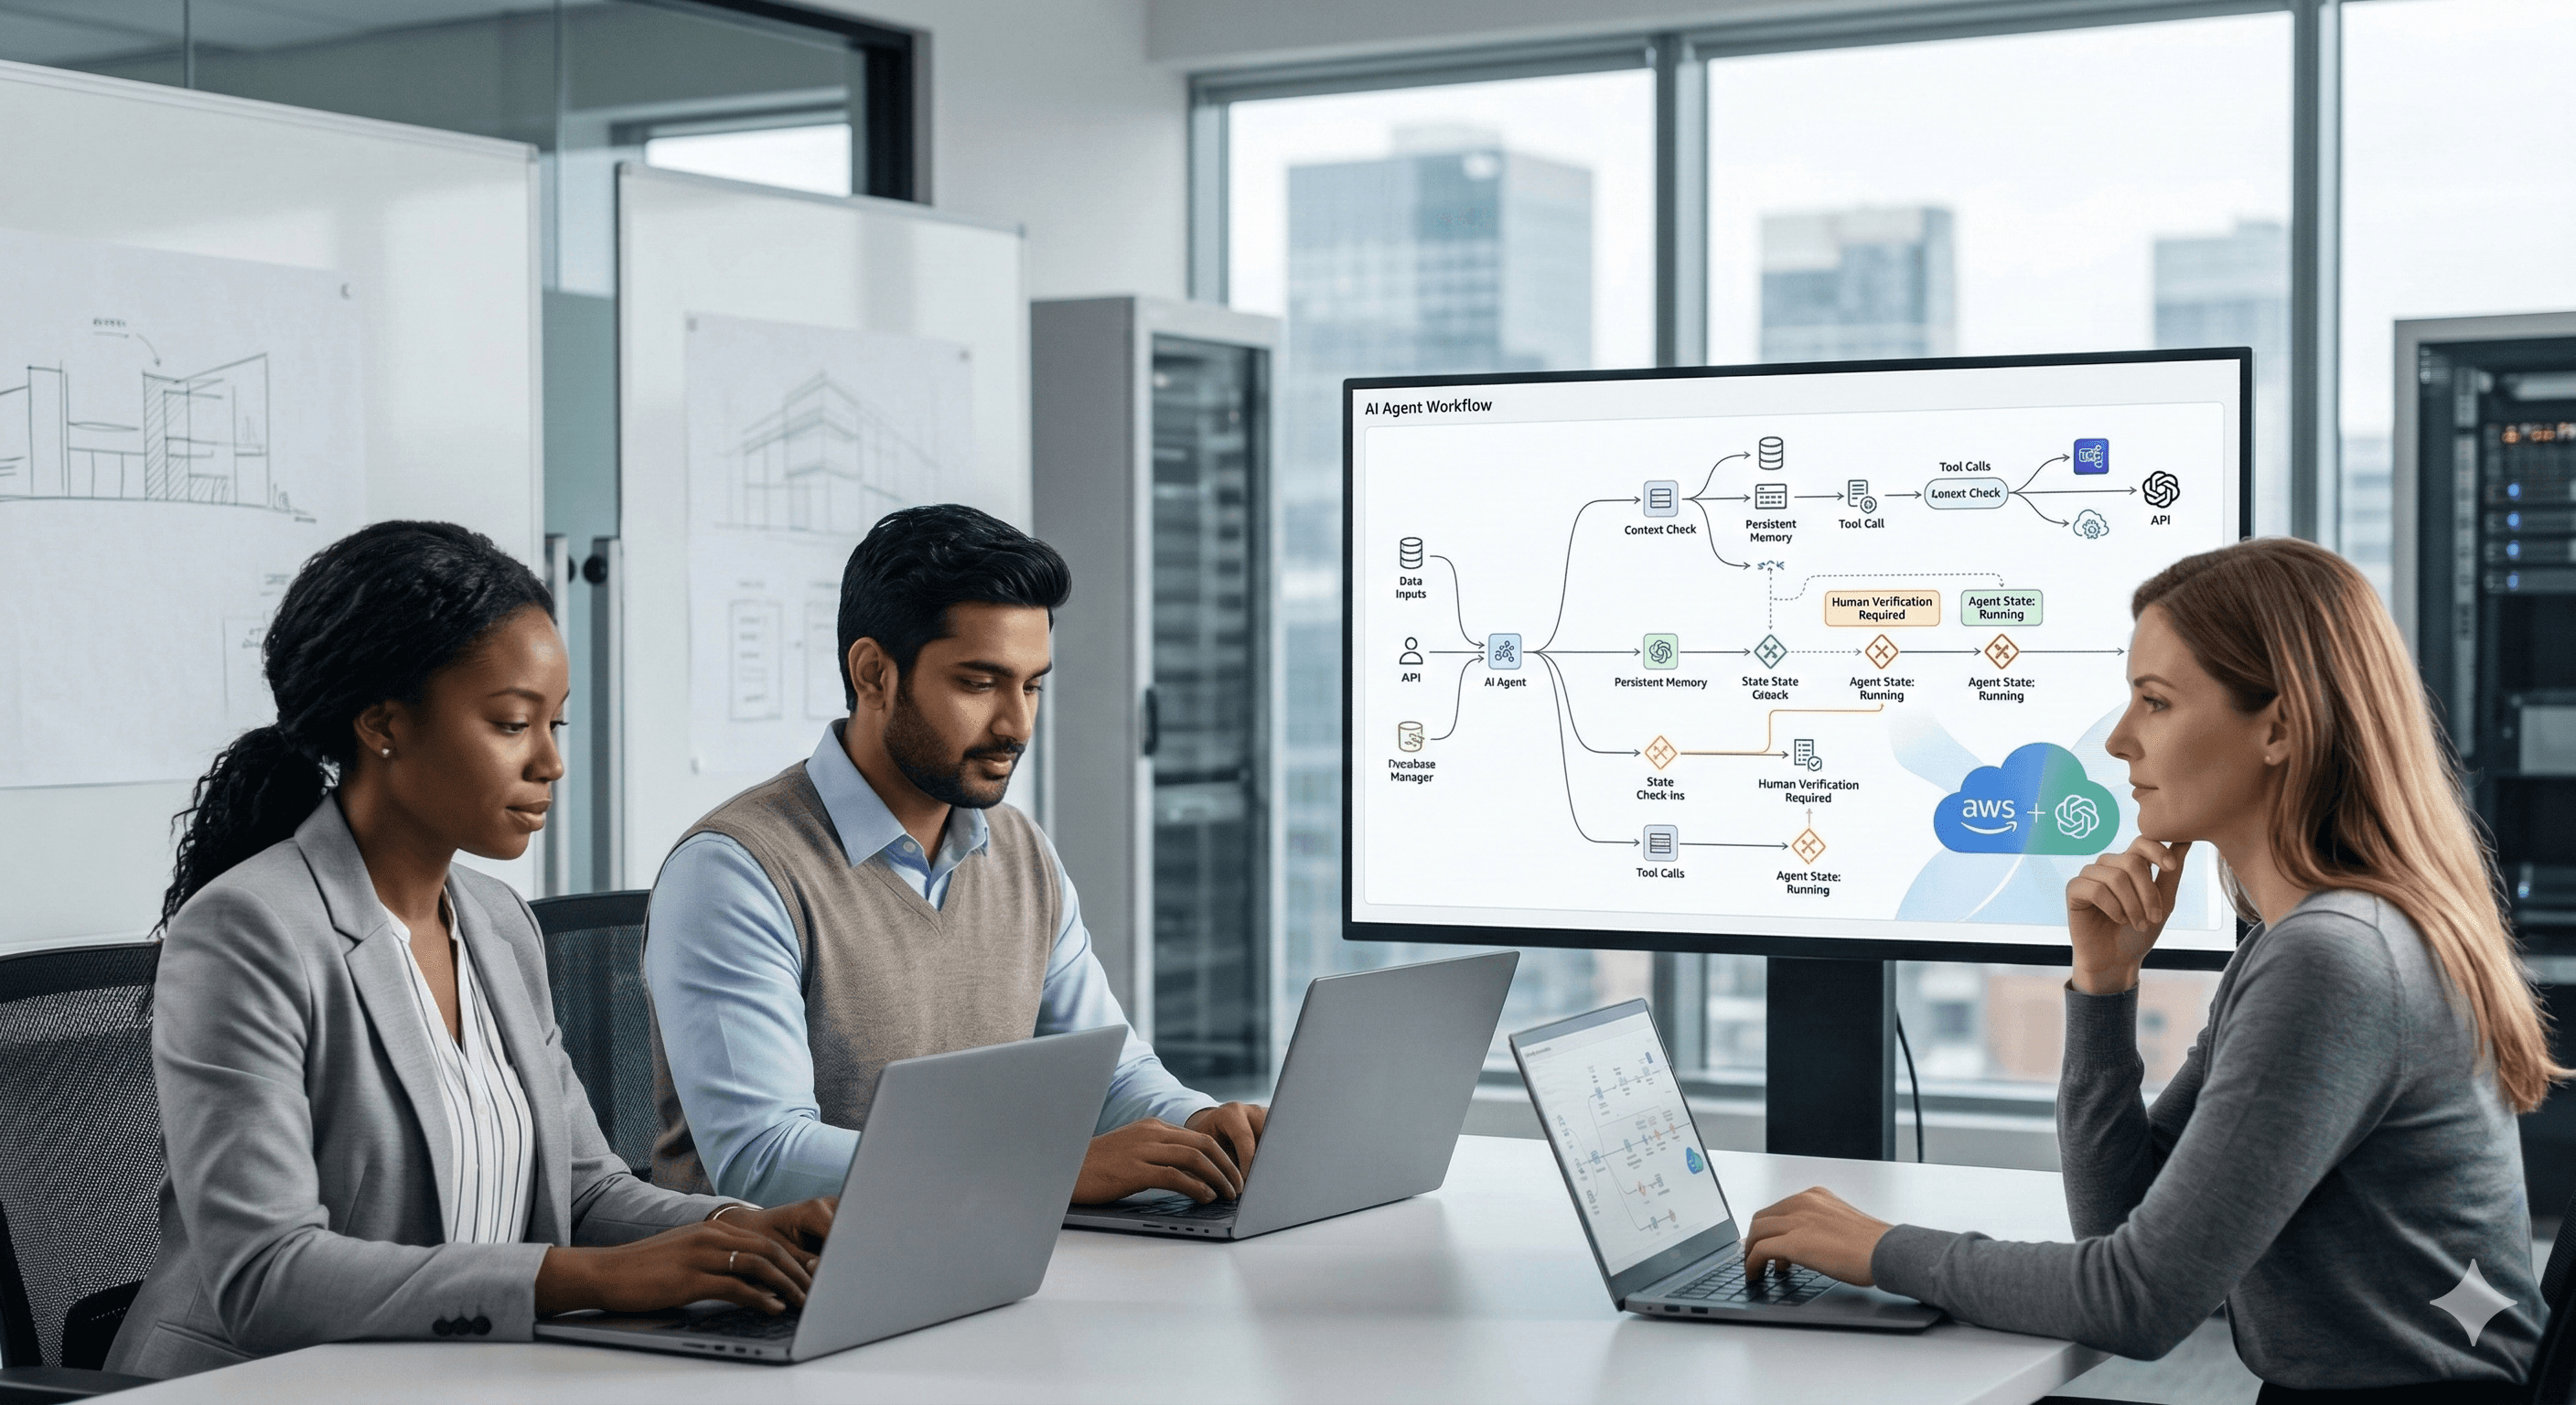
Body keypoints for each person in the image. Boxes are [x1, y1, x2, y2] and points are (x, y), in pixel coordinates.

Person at [1741, 537, 2556, 1401]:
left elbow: (2136, 1302)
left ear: (2279, 726)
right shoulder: (2302, 940)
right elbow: (2121, 1230)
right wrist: (2103, 988)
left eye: (2156, 703)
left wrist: (1880, 1251)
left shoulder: (2334, 959)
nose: (2122, 741)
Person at [110, 521, 837, 1379]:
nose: (551, 763)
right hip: (249, 1385)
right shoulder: (247, 930)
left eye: (555, 724)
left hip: (445, 1377)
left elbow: (585, 1190)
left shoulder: (497, 924)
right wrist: (586, 1278)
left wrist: (731, 1230)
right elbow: (268, 1276)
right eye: (511, 723)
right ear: (383, 723)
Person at [645, 504, 1265, 1209]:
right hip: (777, 1296)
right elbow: (764, 1160)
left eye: (1032, 685)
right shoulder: (735, 872)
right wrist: (1054, 1171)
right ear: (874, 674)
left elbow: (1114, 1078)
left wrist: (1201, 1124)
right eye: (979, 683)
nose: (1017, 725)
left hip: (975, 1262)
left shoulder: (1022, 854)